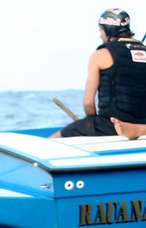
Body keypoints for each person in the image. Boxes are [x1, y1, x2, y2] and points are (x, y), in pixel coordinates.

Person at [52, 8, 146, 139]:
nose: (100, 35)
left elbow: (89, 104)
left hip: (111, 125)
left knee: (54, 139)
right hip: (144, 127)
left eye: (101, 30)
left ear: (109, 30)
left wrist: (91, 124)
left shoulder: (101, 55)